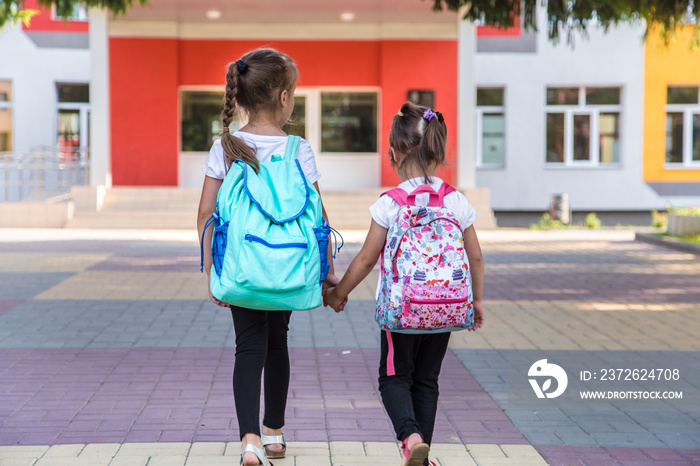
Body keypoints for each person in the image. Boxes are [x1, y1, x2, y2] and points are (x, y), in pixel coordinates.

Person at [197, 48, 339, 466]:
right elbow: (318, 215)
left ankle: (250, 442)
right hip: (290, 268)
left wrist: (212, 272)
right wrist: (327, 271)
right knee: (279, 343)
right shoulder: (298, 148)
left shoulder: (225, 146)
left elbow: (207, 213)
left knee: (248, 348)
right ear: (283, 98)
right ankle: (275, 433)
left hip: (241, 267)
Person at [324, 100, 485, 466]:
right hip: (446, 309)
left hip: (404, 311)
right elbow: (475, 256)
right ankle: (422, 454)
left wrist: (337, 293)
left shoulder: (391, 203)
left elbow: (367, 258)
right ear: (437, 151)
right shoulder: (455, 200)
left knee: (394, 378)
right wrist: (474, 301)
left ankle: (410, 438)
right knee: (427, 381)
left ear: (394, 154)